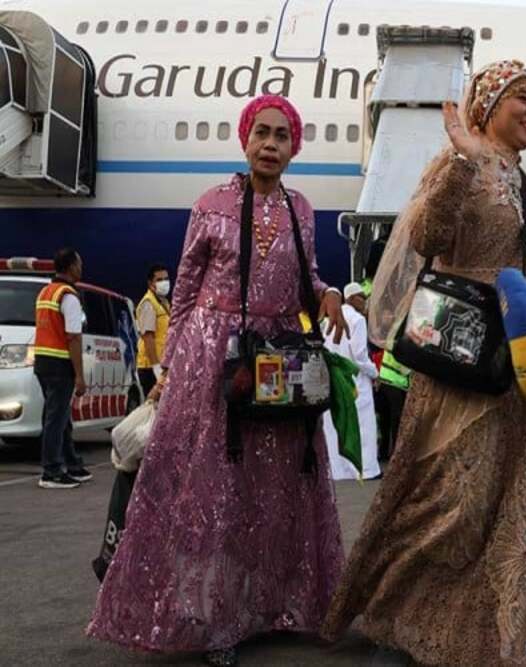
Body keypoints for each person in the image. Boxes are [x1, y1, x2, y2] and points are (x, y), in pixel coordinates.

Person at [322, 59, 526, 666]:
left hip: (519, 367)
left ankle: (494, 635)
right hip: (463, 355)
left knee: (519, 504)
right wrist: (462, 161)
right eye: (523, 97)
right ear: (488, 104)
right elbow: (424, 239)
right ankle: (401, 619)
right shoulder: (458, 163)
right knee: (451, 502)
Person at [87, 95, 348, 667]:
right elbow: (182, 296)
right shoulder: (212, 204)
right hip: (214, 363)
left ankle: (267, 608)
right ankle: (212, 622)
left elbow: (306, 276)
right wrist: (173, 373)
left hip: (275, 363)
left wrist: (327, 293)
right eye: (263, 133)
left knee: (270, 494)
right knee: (215, 499)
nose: (271, 145)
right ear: (245, 138)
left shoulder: (303, 209)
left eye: (283, 136)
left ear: (295, 146)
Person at [34, 247, 91, 489]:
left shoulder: (45, 292)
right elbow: (73, 337)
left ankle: (72, 464)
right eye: (79, 264)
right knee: (56, 419)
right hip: (59, 363)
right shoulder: (69, 296)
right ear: (70, 267)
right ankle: (52, 471)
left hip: (42, 362)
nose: (81, 268)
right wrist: (79, 375)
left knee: (59, 416)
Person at [325, 281, 381, 480]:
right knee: (362, 427)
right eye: (362, 297)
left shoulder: (329, 319)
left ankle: (339, 470)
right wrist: (375, 373)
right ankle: (364, 470)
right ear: (351, 298)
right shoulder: (357, 320)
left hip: (335, 379)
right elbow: (359, 356)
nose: (365, 302)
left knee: (336, 426)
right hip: (355, 380)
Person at [135, 263, 172, 397]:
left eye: (166, 279)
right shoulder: (148, 304)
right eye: (159, 280)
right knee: (153, 410)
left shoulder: (164, 303)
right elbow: (148, 338)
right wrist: (156, 368)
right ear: (151, 283)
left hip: (162, 366)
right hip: (150, 367)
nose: (164, 282)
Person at [376, 348, 410, 463]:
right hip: (396, 381)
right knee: (397, 418)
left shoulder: (394, 335)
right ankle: (395, 453)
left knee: (385, 417)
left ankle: (383, 452)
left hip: (386, 378)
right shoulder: (403, 336)